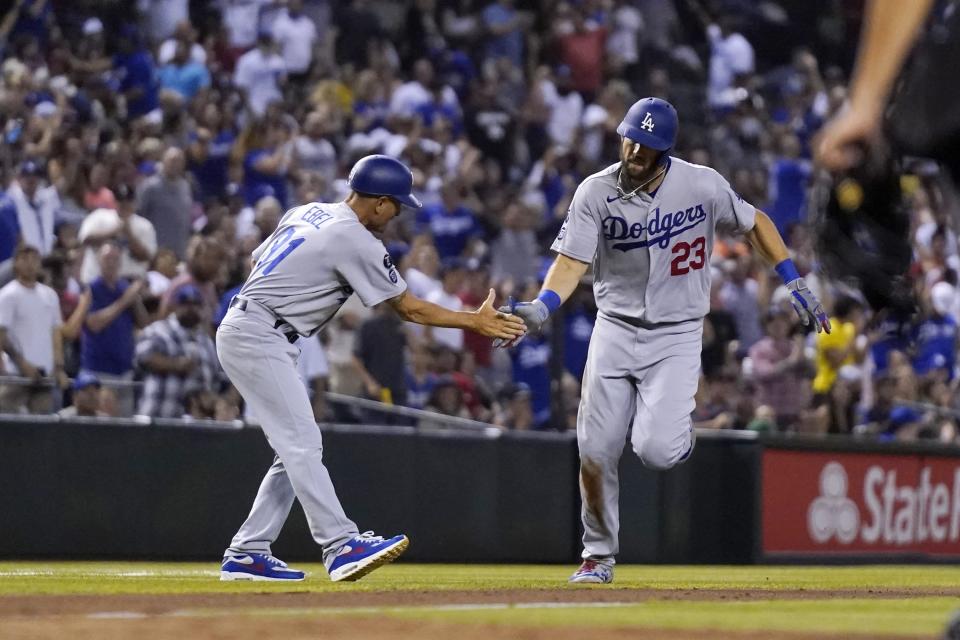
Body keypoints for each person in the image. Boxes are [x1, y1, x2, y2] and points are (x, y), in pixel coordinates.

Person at [496, 98, 830, 584]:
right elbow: (571, 262)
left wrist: (791, 277)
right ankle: (598, 556)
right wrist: (543, 306)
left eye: (646, 144)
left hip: (676, 333)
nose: (633, 148)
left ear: (665, 150)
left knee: (656, 450)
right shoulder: (595, 192)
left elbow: (755, 220)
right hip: (614, 326)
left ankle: (681, 436)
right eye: (629, 137)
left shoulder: (701, 184)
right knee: (594, 448)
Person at [216, 154, 525, 582]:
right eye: (396, 205)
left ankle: (248, 550)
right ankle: (340, 545)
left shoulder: (307, 210)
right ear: (379, 202)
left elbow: (257, 261)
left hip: (254, 324)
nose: (398, 214)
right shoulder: (355, 238)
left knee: (295, 448)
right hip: (261, 333)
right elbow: (409, 309)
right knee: (302, 444)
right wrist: (474, 320)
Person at [0, 244, 68, 414]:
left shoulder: (50, 295)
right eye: (25, 259)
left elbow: (56, 332)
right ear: (16, 264)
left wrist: (59, 367)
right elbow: (2, 335)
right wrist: (22, 364)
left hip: (43, 373)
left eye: (34, 259)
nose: (30, 264)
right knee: (9, 419)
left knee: (42, 423)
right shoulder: (8, 295)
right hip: (15, 374)